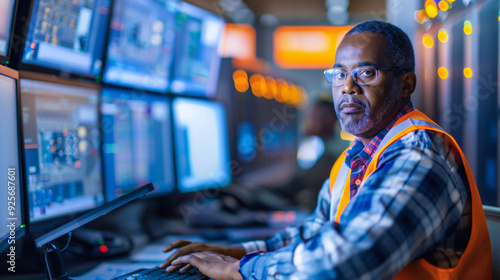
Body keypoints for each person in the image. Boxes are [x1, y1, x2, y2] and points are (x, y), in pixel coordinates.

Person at [159, 20, 492, 279]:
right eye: (339, 74)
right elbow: (315, 233)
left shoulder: (418, 154)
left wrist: (240, 270)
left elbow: (346, 263)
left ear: (406, 84)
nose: (347, 87)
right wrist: (236, 251)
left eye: (366, 72)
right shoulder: (356, 158)